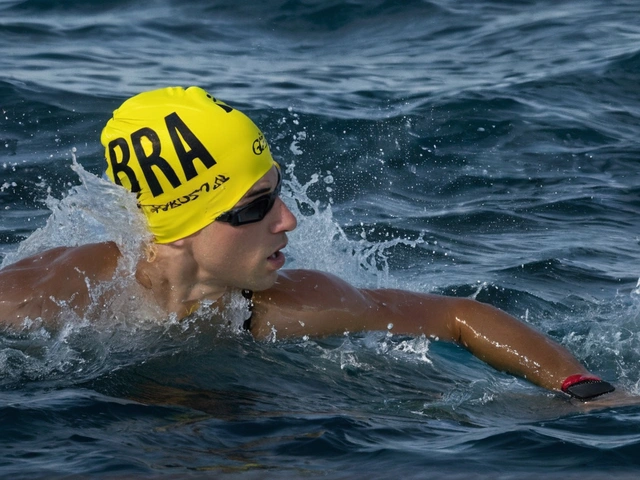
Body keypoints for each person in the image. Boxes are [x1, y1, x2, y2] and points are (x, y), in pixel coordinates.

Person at [0, 86, 617, 402]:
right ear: (180, 227)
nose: (289, 221)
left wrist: (579, 387)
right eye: (255, 207)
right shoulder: (47, 304)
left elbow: (455, 317)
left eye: (279, 192)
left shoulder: (276, 306)